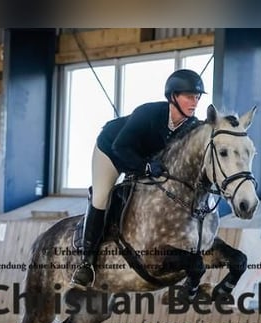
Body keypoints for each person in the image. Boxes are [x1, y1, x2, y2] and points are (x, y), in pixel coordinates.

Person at [70, 68, 206, 288]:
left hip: (146, 160)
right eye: (189, 96)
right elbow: (120, 147)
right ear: (173, 97)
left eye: (197, 97)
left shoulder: (191, 125)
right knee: (102, 196)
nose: (195, 102)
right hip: (112, 151)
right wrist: (144, 166)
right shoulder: (148, 113)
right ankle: (86, 262)